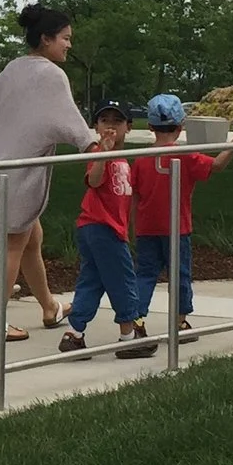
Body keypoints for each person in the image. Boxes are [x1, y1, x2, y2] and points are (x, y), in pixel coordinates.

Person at [0, 4, 97, 342]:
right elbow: (69, 121)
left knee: (31, 239)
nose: (68, 45)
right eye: (65, 39)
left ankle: (49, 307)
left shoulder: (11, 69)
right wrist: (92, 148)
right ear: (46, 39)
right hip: (19, 176)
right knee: (11, 247)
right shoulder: (51, 75)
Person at [130, 93, 233, 332]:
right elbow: (216, 165)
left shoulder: (140, 159)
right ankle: (179, 322)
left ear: (149, 126)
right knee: (180, 275)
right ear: (181, 127)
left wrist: (134, 226)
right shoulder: (187, 155)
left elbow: (135, 196)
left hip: (147, 229)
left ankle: (136, 320)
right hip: (178, 228)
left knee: (145, 274)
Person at [61, 101, 153, 359]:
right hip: (101, 227)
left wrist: (130, 230)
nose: (111, 125)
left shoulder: (124, 161)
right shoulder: (98, 154)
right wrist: (103, 152)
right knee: (123, 281)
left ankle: (74, 334)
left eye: (117, 120)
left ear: (129, 127)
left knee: (92, 281)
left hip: (108, 229)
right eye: (104, 121)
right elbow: (94, 180)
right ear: (96, 127)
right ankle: (129, 336)